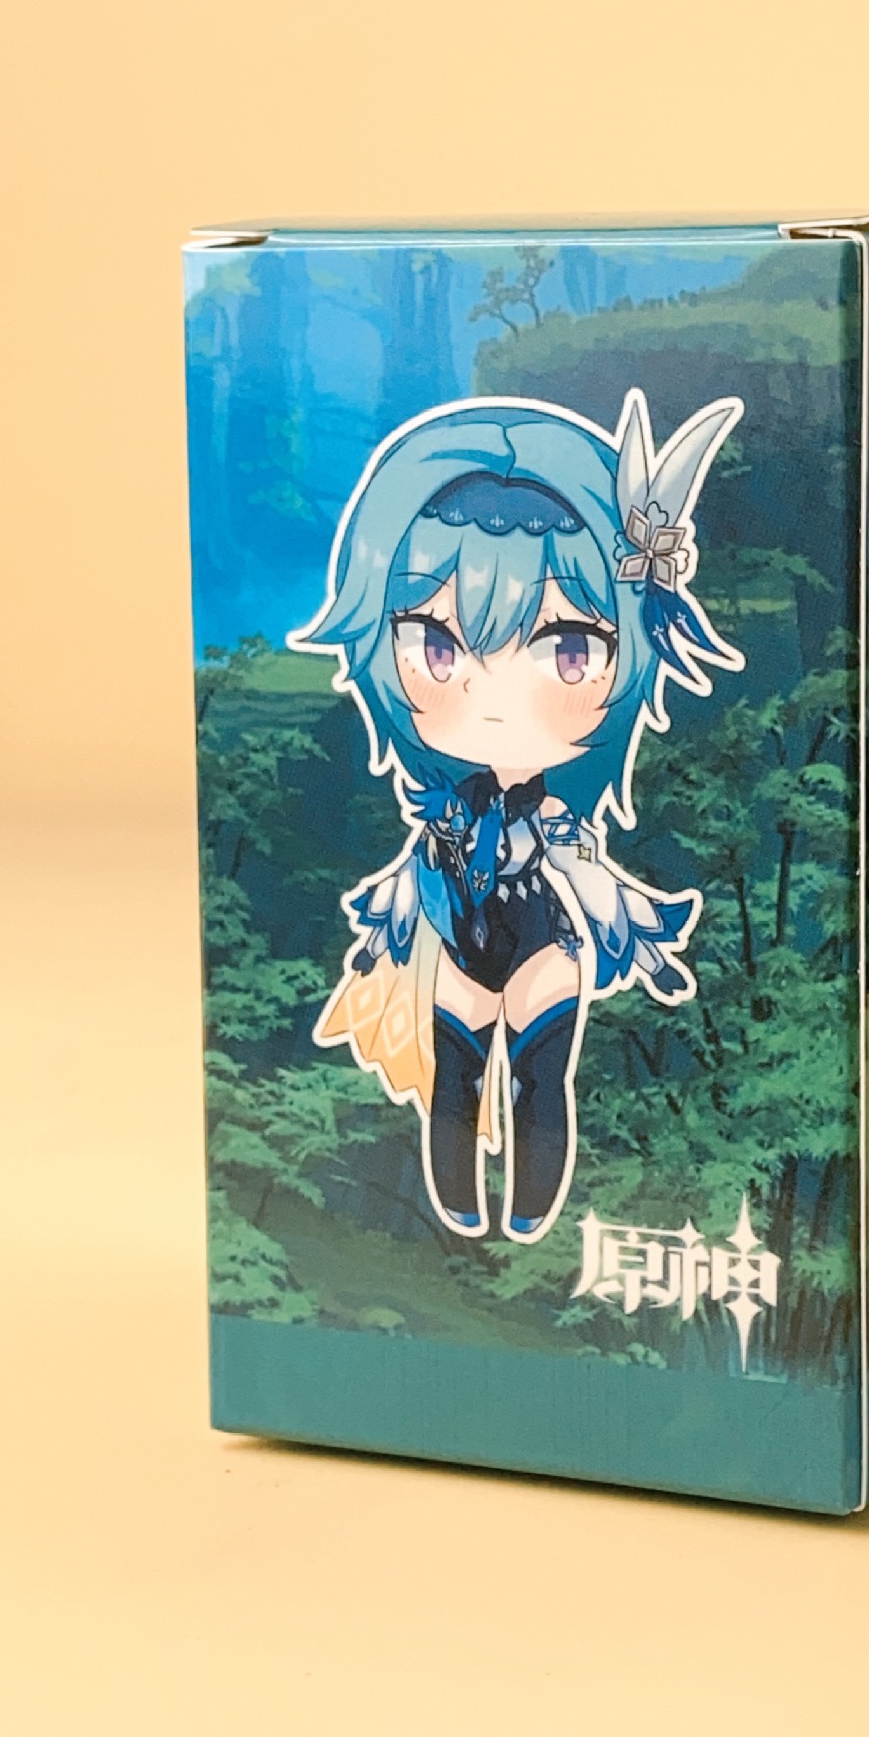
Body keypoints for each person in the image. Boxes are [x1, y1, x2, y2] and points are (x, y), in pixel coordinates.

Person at [292, 390, 742, 1244]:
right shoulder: (443, 816)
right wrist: (388, 932)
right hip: (459, 942)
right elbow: (412, 878)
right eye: (437, 645)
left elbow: (589, 878)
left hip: (540, 941)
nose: (494, 697)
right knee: (456, 1080)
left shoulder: (555, 822)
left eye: (568, 650)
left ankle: (532, 1210)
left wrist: (636, 933)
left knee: (540, 1081)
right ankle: (462, 1209)